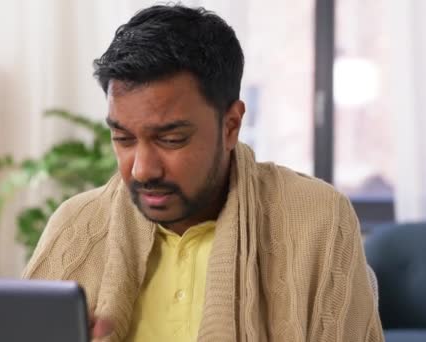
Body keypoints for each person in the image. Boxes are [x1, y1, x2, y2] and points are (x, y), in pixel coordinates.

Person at [24, 4, 384, 342]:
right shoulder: (75, 227)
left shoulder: (318, 220)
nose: (142, 169)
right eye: (123, 138)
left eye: (171, 139)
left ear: (231, 125)